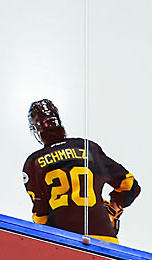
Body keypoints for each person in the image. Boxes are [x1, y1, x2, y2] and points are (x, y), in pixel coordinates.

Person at [23, 99, 140, 243]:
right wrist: (114, 208)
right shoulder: (87, 148)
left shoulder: (33, 162)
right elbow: (129, 185)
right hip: (103, 236)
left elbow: (40, 216)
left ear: (36, 130)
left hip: (61, 240)